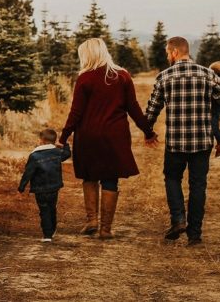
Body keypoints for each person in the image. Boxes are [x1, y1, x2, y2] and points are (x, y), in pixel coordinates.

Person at [59, 38, 157, 239]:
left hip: (88, 135)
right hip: (115, 136)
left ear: (87, 55)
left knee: (90, 176)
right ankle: (105, 229)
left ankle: (91, 220)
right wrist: (148, 131)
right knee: (110, 179)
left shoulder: (85, 78)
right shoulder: (122, 76)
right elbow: (134, 108)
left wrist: (64, 136)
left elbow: (76, 112)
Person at [144, 36, 220, 246]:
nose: (167, 55)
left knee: (172, 178)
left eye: (168, 52)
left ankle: (178, 220)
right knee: (198, 185)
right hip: (202, 141)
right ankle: (195, 234)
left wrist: (148, 132)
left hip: (175, 141)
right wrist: (211, 110)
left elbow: (152, 110)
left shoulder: (164, 76)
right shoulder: (206, 73)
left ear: (175, 52)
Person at [18, 128, 71, 242]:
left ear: (41, 140)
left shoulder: (34, 156)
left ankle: (47, 235)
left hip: (40, 189)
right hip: (54, 187)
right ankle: (52, 229)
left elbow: (28, 172)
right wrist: (64, 145)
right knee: (52, 208)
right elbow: (67, 154)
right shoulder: (57, 152)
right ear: (54, 141)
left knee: (44, 210)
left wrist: (21, 187)